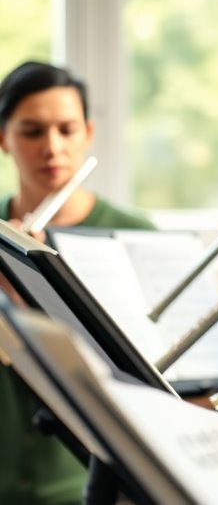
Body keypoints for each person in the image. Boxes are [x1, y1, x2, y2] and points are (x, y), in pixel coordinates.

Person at [0, 61, 154, 504]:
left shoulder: (134, 235)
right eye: (32, 131)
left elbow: (148, 379)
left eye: (67, 130)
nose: (52, 147)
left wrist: (37, 302)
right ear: (3, 137)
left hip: (90, 486)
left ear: (87, 132)